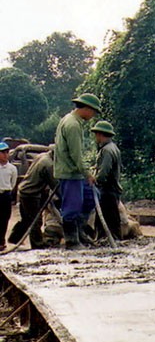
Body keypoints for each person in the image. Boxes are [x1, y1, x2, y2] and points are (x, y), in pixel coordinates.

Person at [54, 93, 101, 249]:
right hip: (70, 172)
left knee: (91, 197)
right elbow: (76, 155)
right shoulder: (72, 125)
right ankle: (72, 241)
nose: (93, 115)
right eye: (93, 111)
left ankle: (80, 232)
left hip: (76, 172)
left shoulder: (74, 121)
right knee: (71, 207)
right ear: (86, 108)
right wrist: (88, 173)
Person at [9, 147, 57, 249]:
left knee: (26, 219)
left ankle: (14, 238)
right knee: (36, 219)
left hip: (23, 190)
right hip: (31, 193)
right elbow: (54, 184)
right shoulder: (48, 164)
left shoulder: (41, 156)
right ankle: (37, 244)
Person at [91, 121, 123, 241]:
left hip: (107, 190)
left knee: (107, 218)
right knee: (113, 218)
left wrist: (95, 180)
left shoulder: (107, 151)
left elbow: (104, 172)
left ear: (100, 134)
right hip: (112, 189)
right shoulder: (114, 148)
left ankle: (107, 239)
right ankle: (112, 239)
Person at [0, 142, 18, 250]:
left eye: (7, 152)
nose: (5, 155)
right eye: (2, 152)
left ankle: (1, 241)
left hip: (6, 195)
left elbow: (13, 183)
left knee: (4, 219)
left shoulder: (12, 168)